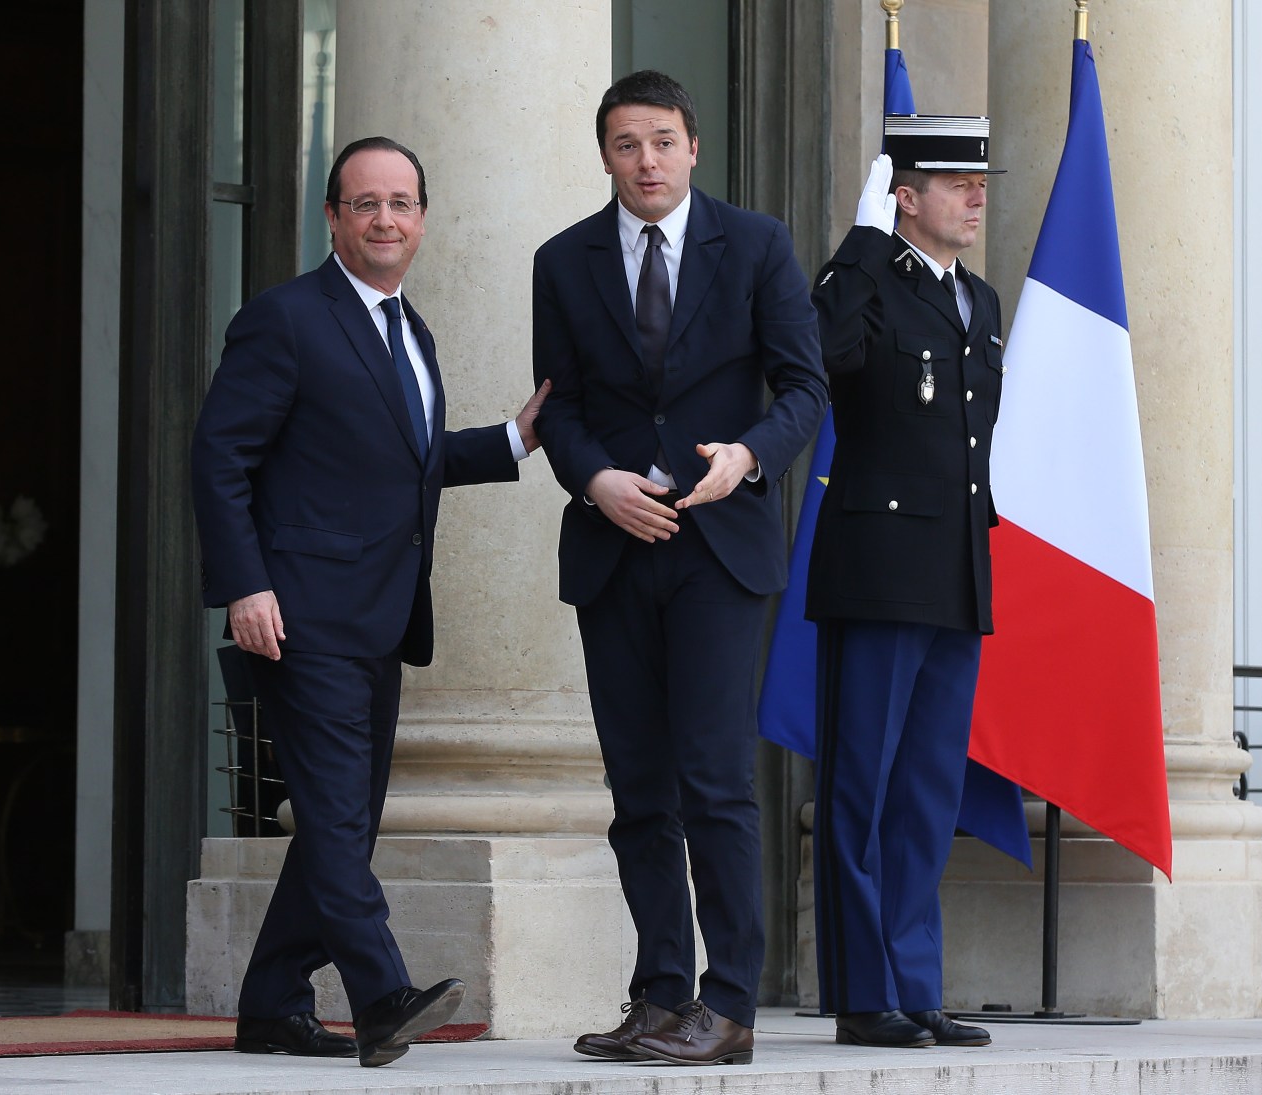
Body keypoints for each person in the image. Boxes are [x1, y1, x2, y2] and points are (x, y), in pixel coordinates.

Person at [191, 136, 549, 1068]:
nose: (385, 219)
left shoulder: (410, 329)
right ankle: (381, 991)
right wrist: (244, 583)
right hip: (299, 614)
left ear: (422, 218)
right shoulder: (286, 319)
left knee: (341, 817)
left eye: (401, 203)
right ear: (332, 217)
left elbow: (407, 464)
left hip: (380, 616)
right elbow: (219, 456)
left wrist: (513, 439)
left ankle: (272, 1001)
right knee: (340, 819)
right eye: (365, 204)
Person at [532, 70, 827, 1067]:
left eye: (662, 140)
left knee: (714, 782)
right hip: (615, 549)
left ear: (693, 147)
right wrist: (592, 479)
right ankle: (661, 999)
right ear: (605, 154)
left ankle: (730, 1004)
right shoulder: (562, 261)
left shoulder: (757, 245)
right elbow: (559, 405)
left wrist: (751, 458)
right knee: (639, 792)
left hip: (718, 548)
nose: (646, 161)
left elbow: (803, 386)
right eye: (626, 143)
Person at [806, 115, 1007, 1050]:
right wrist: (856, 246)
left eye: (979, 182)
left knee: (928, 789)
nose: (975, 195)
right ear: (905, 195)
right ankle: (862, 992)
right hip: (878, 570)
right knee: (862, 787)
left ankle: (916, 983)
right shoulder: (867, 283)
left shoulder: (982, 301)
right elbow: (823, 354)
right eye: (955, 182)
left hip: (956, 570)